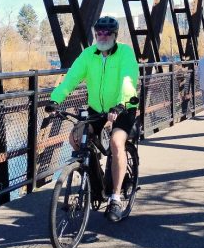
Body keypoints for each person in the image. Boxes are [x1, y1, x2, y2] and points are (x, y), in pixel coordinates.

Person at [47, 16, 139, 223]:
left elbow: (128, 78)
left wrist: (122, 103)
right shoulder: (89, 55)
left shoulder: (125, 53)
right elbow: (71, 78)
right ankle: (93, 175)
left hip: (123, 106)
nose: (102, 36)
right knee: (76, 138)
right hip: (97, 108)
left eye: (107, 33)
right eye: (99, 33)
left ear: (115, 35)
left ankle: (115, 197)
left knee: (116, 142)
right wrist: (55, 100)